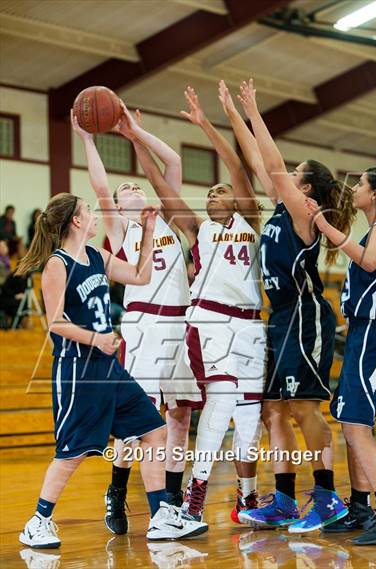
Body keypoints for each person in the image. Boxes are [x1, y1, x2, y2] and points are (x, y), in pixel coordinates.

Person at [16, 192, 207, 548]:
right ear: (75, 221)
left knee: (153, 429)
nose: (93, 214)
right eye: (87, 210)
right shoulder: (57, 265)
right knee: (73, 451)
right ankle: (38, 521)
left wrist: (149, 230)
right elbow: (55, 323)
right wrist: (95, 338)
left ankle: (161, 516)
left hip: (109, 369)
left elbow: (139, 275)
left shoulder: (96, 255)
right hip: (79, 369)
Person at [223, 79, 352, 532]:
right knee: (274, 410)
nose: (284, 176)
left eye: (295, 174)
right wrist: (231, 114)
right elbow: (261, 162)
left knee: (303, 409)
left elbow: (273, 166)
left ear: (308, 189)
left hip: (304, 313)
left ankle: (327, 497)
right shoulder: (282, 207)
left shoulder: (303, 213)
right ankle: (281, 500)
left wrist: (256, 111)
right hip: (278, 317)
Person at [134, 86, 267, 525]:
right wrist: (135, 137)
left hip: (250, 325)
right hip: (209, 319)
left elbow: (235, 164)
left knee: (249, 415)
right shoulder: (197, 229)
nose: (212, 194)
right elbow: (157, 182)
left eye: (219, 191)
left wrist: (209, 122)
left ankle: (246, 499)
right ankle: (195, 494)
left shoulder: (250, 219)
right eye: (208, 192)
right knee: (221, 402)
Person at [72, 106, 199, 535]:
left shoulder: (164, 218)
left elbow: (175, 163)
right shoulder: (119, 229)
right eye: (125, 186)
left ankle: (174, 498)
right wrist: (89, 139)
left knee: (180, 417)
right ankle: (118, 491)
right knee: (140, 421)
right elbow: (101, 184)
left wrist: (136, 133)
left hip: (180, 327)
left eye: (134, 183)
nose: (129, 186)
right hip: (145, 329)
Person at [306, 167, 376, 545]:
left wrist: (324, 225)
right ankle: (359, 507)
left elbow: (370, 262)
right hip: (361, 333)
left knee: (356, 427)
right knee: (351, 423)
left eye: (361, 185)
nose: (354, 189)